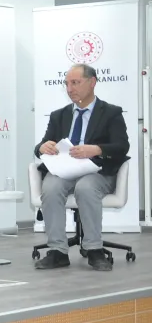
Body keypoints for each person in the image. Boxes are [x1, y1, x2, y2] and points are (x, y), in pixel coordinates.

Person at [34, 64, 129, 271]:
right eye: (67, 84)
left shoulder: (111, 113)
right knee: (50, 187)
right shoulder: (59, 115)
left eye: (75, 83)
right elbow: (41, 145)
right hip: (65, 170)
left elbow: (122, 146)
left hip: (97, 170)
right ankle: (57, 251)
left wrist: (96, 149)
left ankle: (94, 249)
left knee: (85, 187)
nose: (70, 89)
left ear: (92, 82)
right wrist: (43, 147)